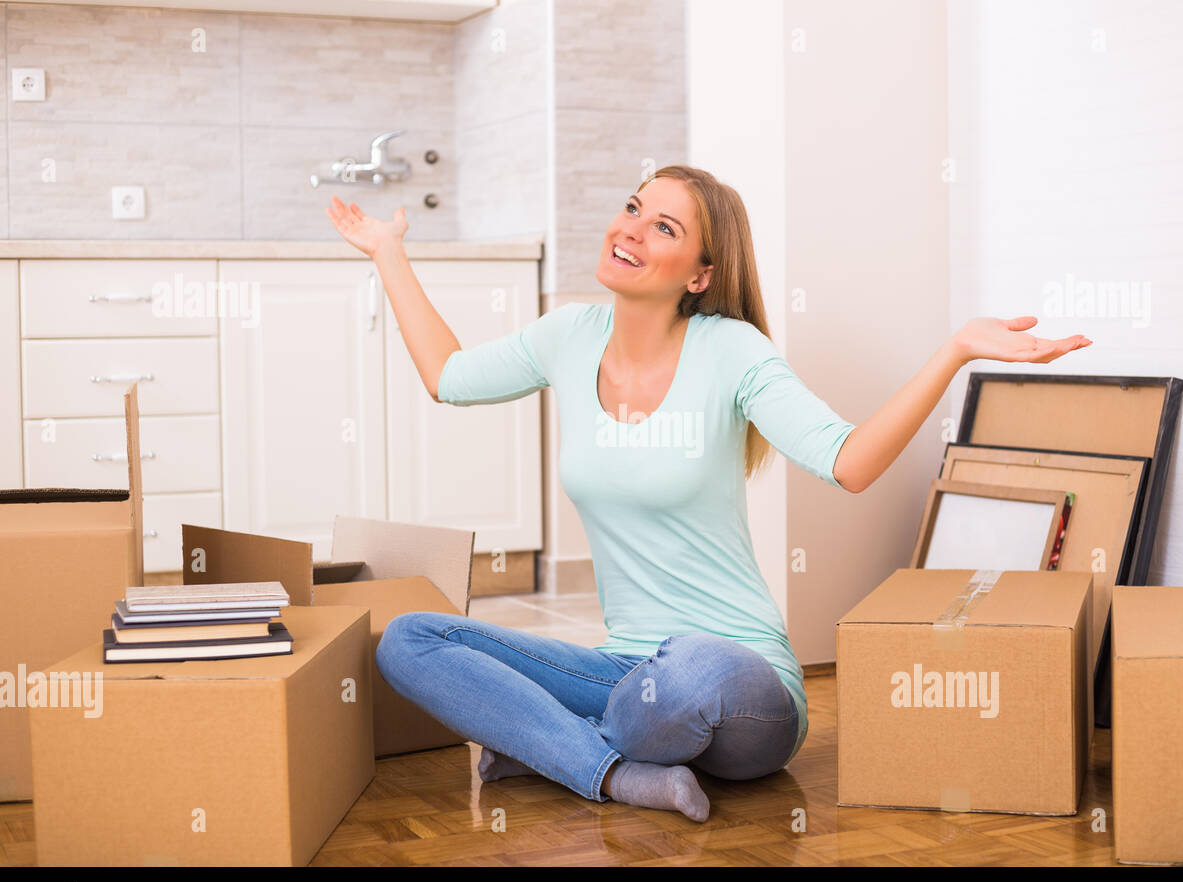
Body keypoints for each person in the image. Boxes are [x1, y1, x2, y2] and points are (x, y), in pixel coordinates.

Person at [325, 165, 1090, 823]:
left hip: (739, 679)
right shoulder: (567, 337)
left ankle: (546, 744)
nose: (631, 230)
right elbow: (448, 378)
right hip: (627, 670)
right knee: (411, 640)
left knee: (691, 674)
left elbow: (849, 462)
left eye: (663, 228)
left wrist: (953, 351)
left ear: (699, 275)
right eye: (633, 209)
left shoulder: (732, 353)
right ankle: (617, 774)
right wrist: (388, 253)